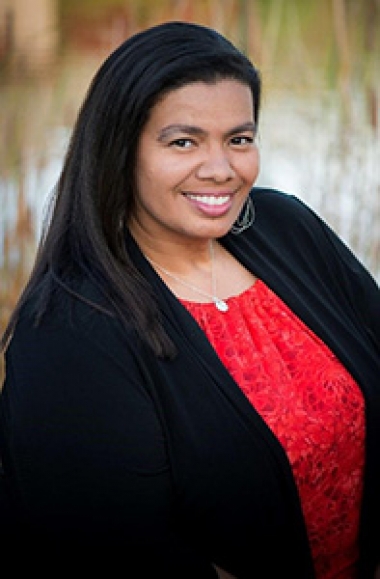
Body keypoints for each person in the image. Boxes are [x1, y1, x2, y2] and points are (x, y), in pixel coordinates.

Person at [0, 20, 379, 579]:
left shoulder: (285, 226)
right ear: (119, 151)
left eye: (239, 138)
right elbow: (116, 555)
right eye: (183, 141)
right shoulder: (68, 332)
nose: (222, 170)